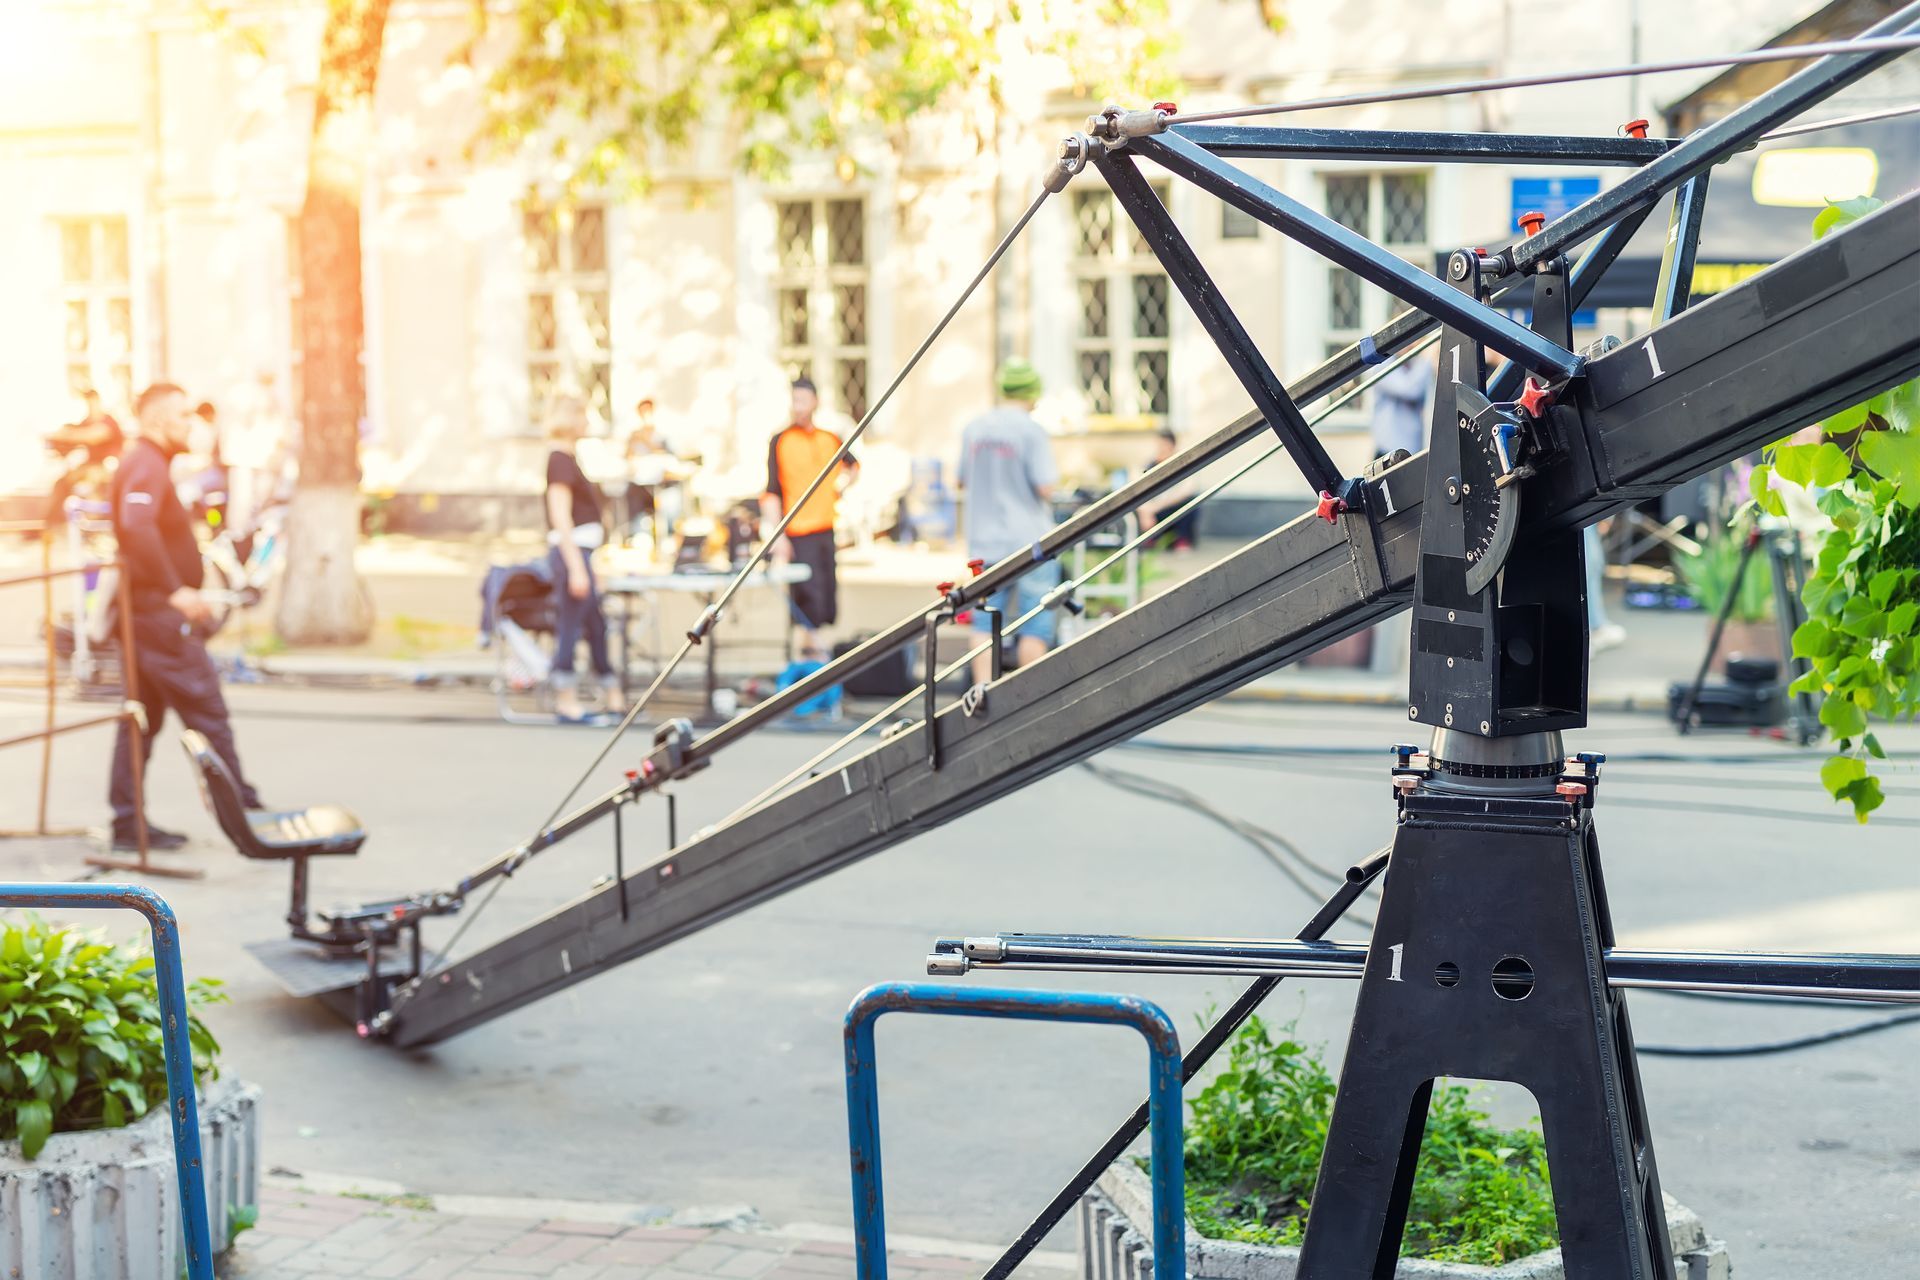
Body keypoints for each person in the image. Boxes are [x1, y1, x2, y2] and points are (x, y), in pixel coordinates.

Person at [106, 383, 263, 851]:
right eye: (180, 415)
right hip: (157, 618)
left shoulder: (149, 463)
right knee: (206, 710)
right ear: (156, 420)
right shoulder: (144, 462)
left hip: (147, 617)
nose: (189, 424)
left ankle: (127, 823)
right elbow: (135, 526)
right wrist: (175, 590)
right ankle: (247, 814)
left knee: (141, 722)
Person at [958, 359, 1060, 686]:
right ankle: (1029, 703)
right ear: (1033, 394)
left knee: (982, 624)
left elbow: (960, 480)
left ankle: (982, 696)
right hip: (1030, 542)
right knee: (1035, 624)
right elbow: (1045, 486)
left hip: (984, 543)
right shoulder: (1032, 431)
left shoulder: (974, 428)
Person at [762, 377, 858, 657]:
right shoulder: (780, 440)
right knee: (806, 599)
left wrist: (839, 489)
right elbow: (771, 491)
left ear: (814, 402)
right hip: (798, 532)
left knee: (826, 598)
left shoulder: (830, 438)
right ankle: (814, 655)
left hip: (825, 528)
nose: (798, 407)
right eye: (794, 401)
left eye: (802, 400)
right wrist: (778, 534)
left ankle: (813, 655)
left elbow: (853, 466)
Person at [543, 396, 624, 720]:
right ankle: (566, 699)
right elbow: (560, 517)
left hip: (583, 554)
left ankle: (613, 696)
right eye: (584, 416)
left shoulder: (570, 458)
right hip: (571, 554)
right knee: (571, 624)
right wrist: (577, 567)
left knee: (596, 625)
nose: (588, 422)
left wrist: (592, 566)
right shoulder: (559, 460)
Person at [1137, 429, 1200, 551]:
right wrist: (1145, 512)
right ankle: (1151, 538)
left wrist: (1155, 507)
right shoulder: (1149, 465)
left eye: (1164, 444)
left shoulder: (1182, 463)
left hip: (1170, 507)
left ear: (1172, 445)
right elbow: (1138, 490)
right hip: (1154, 512)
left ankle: (1182, 539)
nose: (1161, 448)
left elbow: (1188, 489)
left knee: (1190, 503)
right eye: (1159, 445)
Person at [1368, 356, 1433, 463]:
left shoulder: (1415, 365)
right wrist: (1427, 358)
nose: (1412, 344)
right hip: (1389, 453)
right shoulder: (1382, 365)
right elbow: (1410, 389)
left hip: (1414, 452)